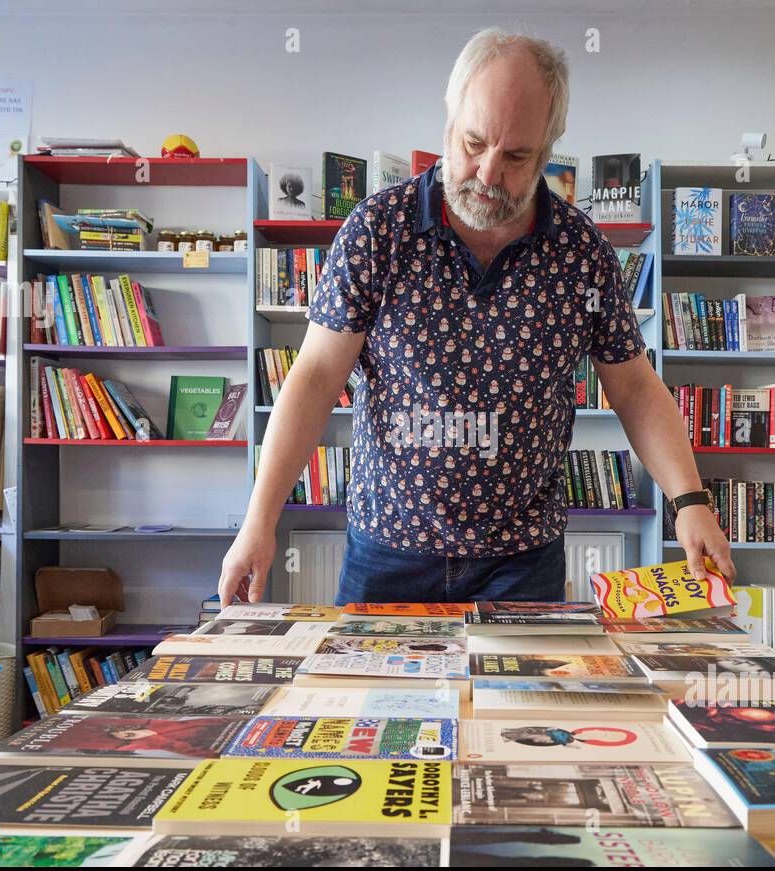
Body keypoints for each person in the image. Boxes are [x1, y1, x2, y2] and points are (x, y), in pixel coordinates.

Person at [219, 27, 733, 604]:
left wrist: (689, 501)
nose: (488, 174)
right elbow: (314, 376)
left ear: (548, 149)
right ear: (448, 120)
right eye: (472, 143)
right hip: (389, 550)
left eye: (516, 156)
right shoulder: (377, 230)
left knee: (524, 699)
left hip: (522, 562)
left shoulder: (581, 251)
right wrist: (258, 520)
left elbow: (635, 387)